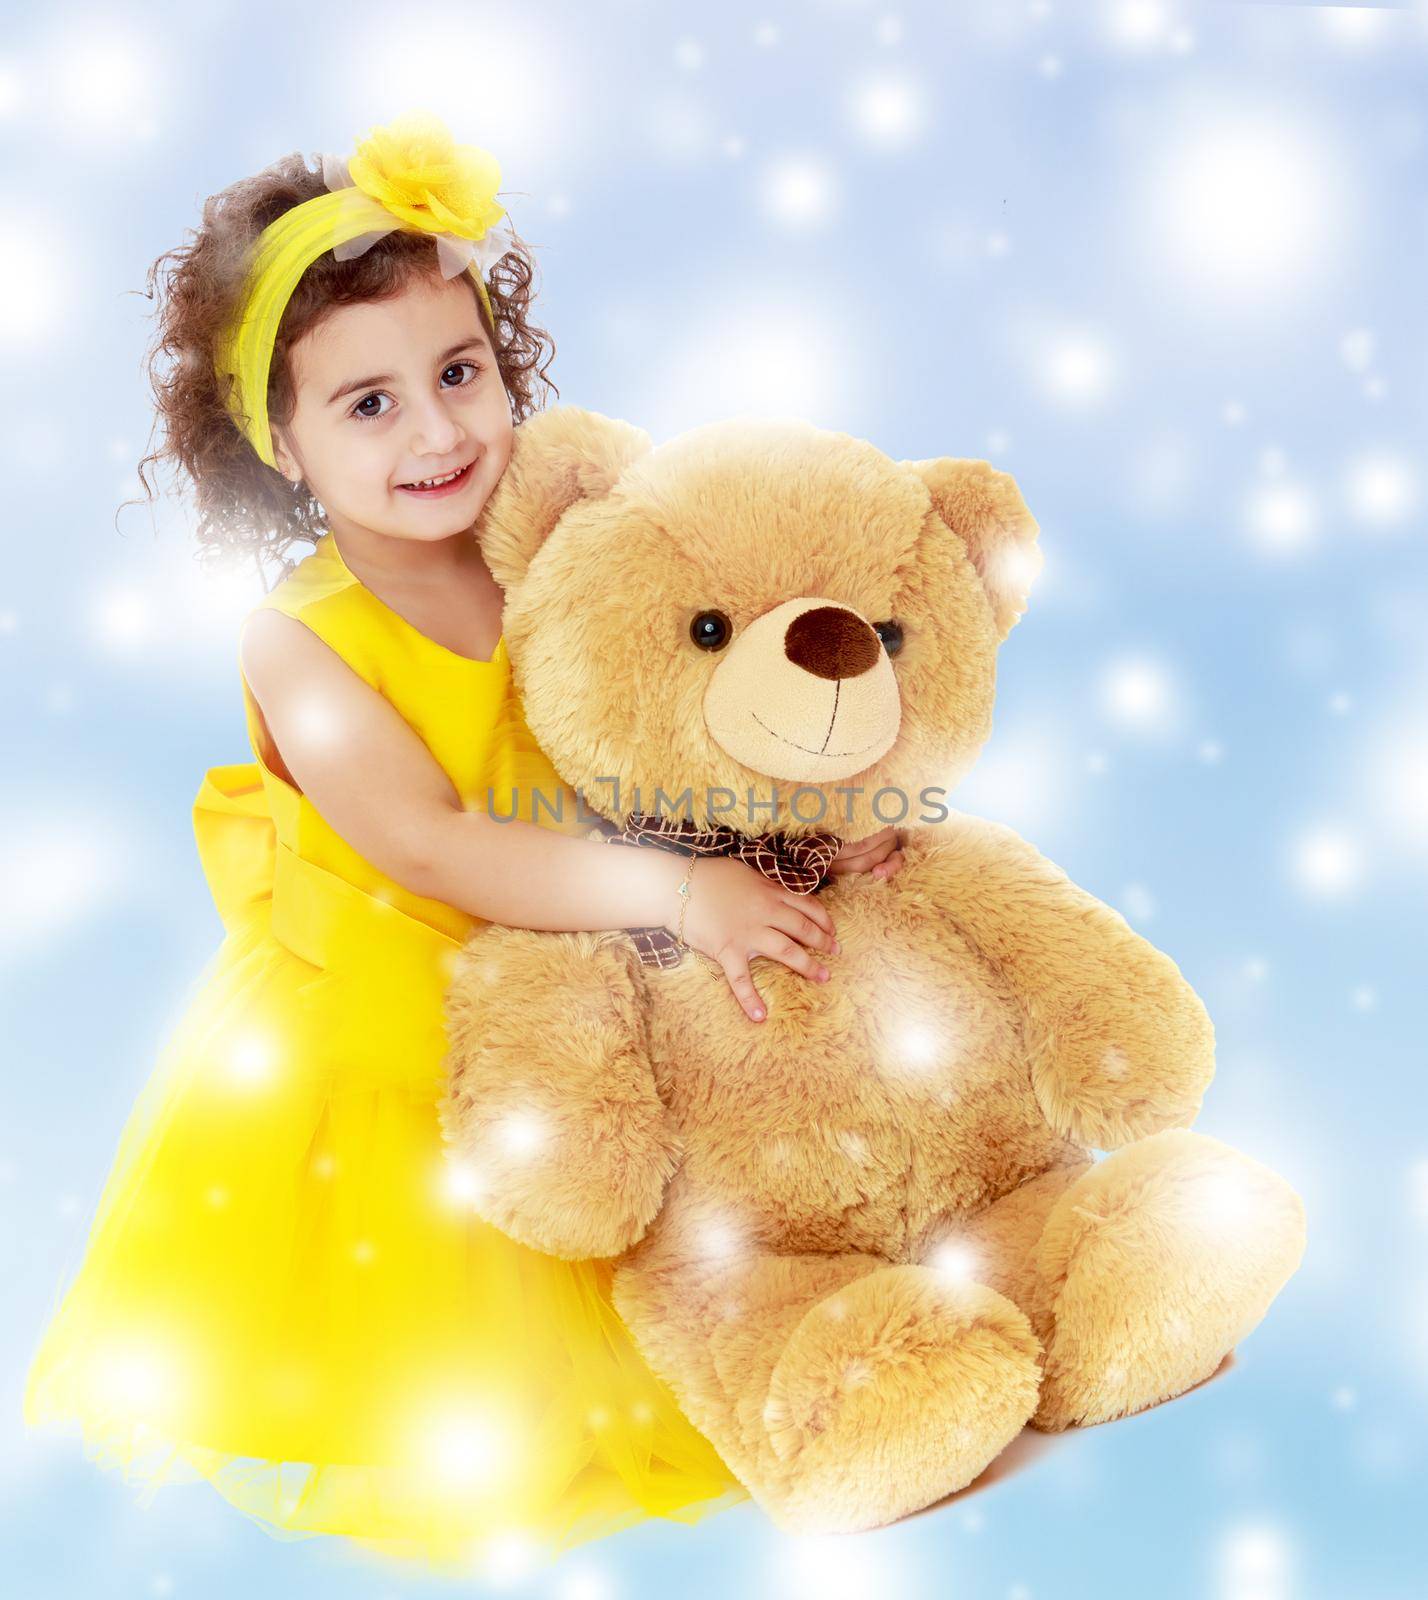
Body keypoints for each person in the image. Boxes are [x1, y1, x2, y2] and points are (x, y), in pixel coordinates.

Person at [22, 113, 903, 1573]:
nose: (435, 432)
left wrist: (801, 830)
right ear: (280, 444)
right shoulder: (304, 644)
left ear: (508, 373)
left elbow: (677, 726)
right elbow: (432, 843)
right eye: (366, 406)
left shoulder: (570, 564)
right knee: (507, 1348)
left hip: (592, 958)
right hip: (401, 1010)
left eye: (458, 374)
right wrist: (684, 891)